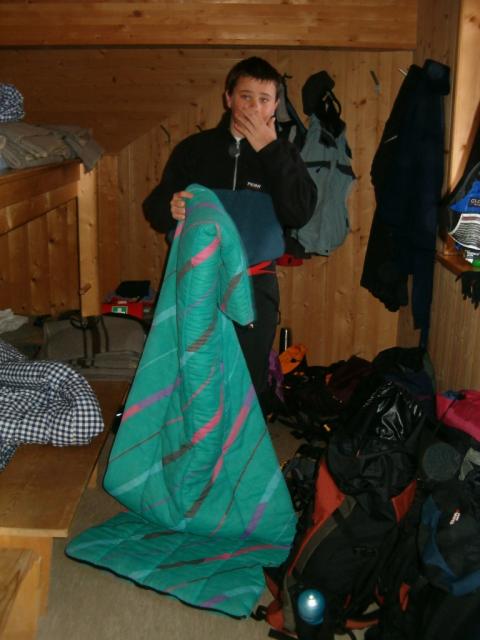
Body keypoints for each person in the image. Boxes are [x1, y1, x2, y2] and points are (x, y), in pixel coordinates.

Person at [143, 56, 317, 413]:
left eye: (264, 99)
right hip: (196, 282)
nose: (254, 107)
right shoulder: (195, 149)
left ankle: (239, 447)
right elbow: (155, 209)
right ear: (228, 98)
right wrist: (170, 206)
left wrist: (271, 150)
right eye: (245, 96)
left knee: (246, 383)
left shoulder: (285, 154)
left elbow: (299, 213)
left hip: (255, 284)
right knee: (191, 379)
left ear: (276, 105)